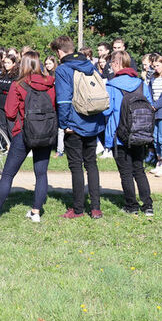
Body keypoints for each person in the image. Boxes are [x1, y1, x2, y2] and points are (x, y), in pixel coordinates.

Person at [0, 51, 56, 223]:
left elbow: (10, 112)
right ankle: (36, 213)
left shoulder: (18, 84)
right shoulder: (50, 83)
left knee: (8, 174)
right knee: (41, 174)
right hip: (45, 132)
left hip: (23, 131)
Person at [52, 35, 106, 219]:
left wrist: (64, 124)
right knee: (91, 164)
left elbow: (64, 99)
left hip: (74, 124)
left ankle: (78, 209)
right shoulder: (90, 65)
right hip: (93, 121)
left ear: (59, 52)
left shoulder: (63, 69)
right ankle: (96, 208)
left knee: (76, 166)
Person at [103, 51, 153, 216]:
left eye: (112, 63)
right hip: (140, 133)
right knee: (139, 170)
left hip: (120, 135)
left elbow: (107, 111)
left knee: (125, 172)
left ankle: (132, 206)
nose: (110, 66)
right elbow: (150, 106)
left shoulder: (112, 85)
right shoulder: (141, 84)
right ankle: (148, 206)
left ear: (117, 64)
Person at [0, 53, 18, 135]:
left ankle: (12, 144)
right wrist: (3, 88)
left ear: (14, 64)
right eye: (5, 63)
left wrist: (3, 87)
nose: (6, 65)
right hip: (0, 102)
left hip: (10, 102)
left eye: (9, 63)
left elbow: (12, 88)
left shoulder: (16, 75)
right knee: (2, 125)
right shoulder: (1, 74)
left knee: (11, 125)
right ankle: (4, 144)